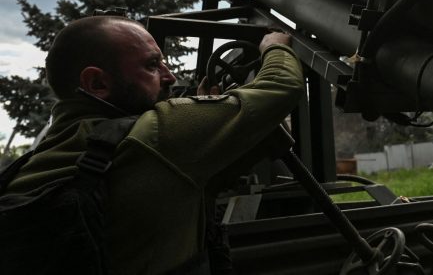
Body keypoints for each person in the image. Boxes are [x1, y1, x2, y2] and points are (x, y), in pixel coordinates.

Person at [2, 16, 304, 274]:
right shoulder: (158, 133)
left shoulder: (34, 162)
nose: (169, 76)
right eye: (152, 65)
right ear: (97, 84)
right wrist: (275, 46)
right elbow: (280, 88)